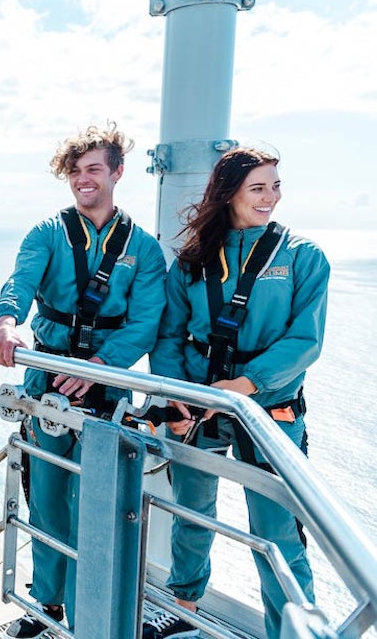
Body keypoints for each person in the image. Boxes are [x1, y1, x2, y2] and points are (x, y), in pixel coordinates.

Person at [0, 123, 167, 638]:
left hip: (107, 386)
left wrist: (102, 368)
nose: (83, 180)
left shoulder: (144, 250)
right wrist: (5, 321)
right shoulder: (46, 233)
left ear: (117, 172)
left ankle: (88, 607)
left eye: (94, 169)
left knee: (99, 500)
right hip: (47, 375)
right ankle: (46, 606)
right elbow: (19, 284)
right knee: (46, 494)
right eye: (75, 172)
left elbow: (145, 323)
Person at [144, 147, 327, 639]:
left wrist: (245, 385)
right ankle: (184, 612)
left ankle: (291, 633)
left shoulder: (303, 257)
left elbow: (304, 340)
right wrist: (176, 398)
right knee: (191, 514)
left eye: (275, 186)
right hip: (201, 407)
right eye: (258, 187)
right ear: (229, 194)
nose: (271, 197)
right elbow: (169, 335)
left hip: (270, 410)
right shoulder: (192, 261)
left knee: (277, 534)